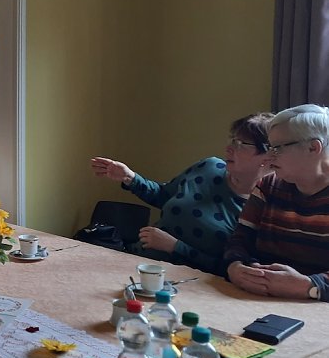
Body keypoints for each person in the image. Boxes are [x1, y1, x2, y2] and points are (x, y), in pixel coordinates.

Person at [90, 113, 274, 274]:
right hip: (136, 263)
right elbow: (163, 195)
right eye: (231, 140)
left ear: (267, 157)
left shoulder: (260, 209)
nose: (229, 148)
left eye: (241, 144)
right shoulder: (208, 167)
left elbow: (229, 271)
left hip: (188, 286)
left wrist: (175, 247)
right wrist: (130, 177)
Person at [224, 104, 329, 301]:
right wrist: (235, 266)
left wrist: (309, 286)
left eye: (278, 148)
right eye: (269, 147)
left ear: (313, 147)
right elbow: (240, 240)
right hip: (256, 299)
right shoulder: (267, 186)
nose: (269, 157)